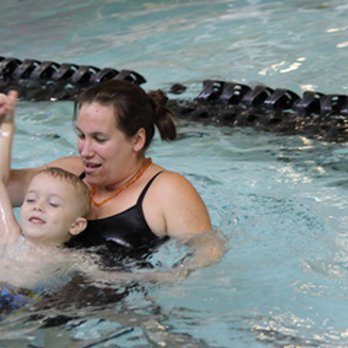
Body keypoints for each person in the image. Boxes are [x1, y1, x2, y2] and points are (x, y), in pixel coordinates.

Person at [6, 81, 225, 274]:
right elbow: (4, 189)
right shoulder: (69, 173)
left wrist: (166, 278)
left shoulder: (165, 190)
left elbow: (208, 253)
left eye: (99, 139)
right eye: (81, 136)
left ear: (137, 140)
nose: (85, 150)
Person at [0, 91, 90, 290]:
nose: (38, 207)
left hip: (21, 307)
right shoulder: (10, 237)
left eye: (53, 203)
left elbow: (114, 278)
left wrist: (161, 277)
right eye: (30, 200)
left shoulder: (74, 259)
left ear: (76, 225)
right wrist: (6, 127)